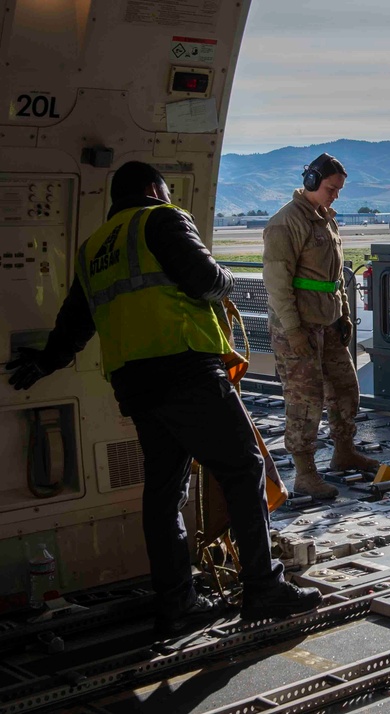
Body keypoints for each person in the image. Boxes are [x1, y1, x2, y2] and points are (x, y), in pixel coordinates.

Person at [5, 161, 322, 635]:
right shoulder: (164, 218)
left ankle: (176, 602)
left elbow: (75, 322)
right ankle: (263, 587)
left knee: (163, 493)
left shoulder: (94, 249)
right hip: (187, 369)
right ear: (155, 189)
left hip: (136, 384)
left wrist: (44, 362)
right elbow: (207, 281)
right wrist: (230, 282)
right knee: (243, 466)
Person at [262, 153, 379, 499]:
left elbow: (335, 277)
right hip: (297, 325)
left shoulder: (325, 220)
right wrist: (294, 331)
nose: (335, 196)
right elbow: (278, 284)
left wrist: (342, 313)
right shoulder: (286, 223)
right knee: (305, 400)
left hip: (327, 323)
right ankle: (305, 473)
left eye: (339, 190)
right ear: (312, 182)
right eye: (331, 188)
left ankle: (344, 452)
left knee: (345, 387)